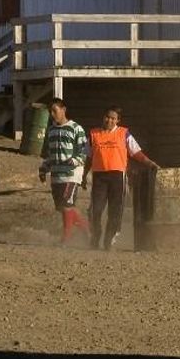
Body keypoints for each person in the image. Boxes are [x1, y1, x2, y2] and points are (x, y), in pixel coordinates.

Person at [83, 106, 160, 250]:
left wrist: (150, 163)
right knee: (96, 210)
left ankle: (108, 239)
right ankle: (96, 235)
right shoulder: (94, 134)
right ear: (103, 117)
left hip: (117, 177)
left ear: (118, 120)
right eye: (107, 117)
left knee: (115, 210)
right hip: (99, 176)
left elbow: (136, 153)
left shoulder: (124, 134)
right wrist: (83, 175)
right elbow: (88, 157)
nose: (109, 120)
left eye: (113, 118)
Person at [39, 97, 90, 244]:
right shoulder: (52, 130)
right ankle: (87, 230)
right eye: (50, 112)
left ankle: (65, 239)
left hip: (72, 174)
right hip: (56, 174)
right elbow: (51, 153)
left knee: (68, 205)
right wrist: (44, 168)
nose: (52, 114)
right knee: (63, 207)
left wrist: (74, 160)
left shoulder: (76, 128)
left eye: (55, 111)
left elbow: (84, 151)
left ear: (64, 110)